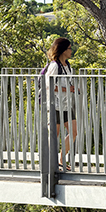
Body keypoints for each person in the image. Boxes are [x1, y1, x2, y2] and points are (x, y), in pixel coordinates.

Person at [45, 37, 77, 170]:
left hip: (66, 104)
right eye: (69, 48)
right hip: (55, 105)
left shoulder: (67, 65)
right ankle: (52, 163)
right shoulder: (54, 66)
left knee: (73, 132)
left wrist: (73, 89)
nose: (71, 51)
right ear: (63, 50)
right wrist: (66, 89)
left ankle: (62, 159)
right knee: (54, 134)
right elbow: (49, 85)